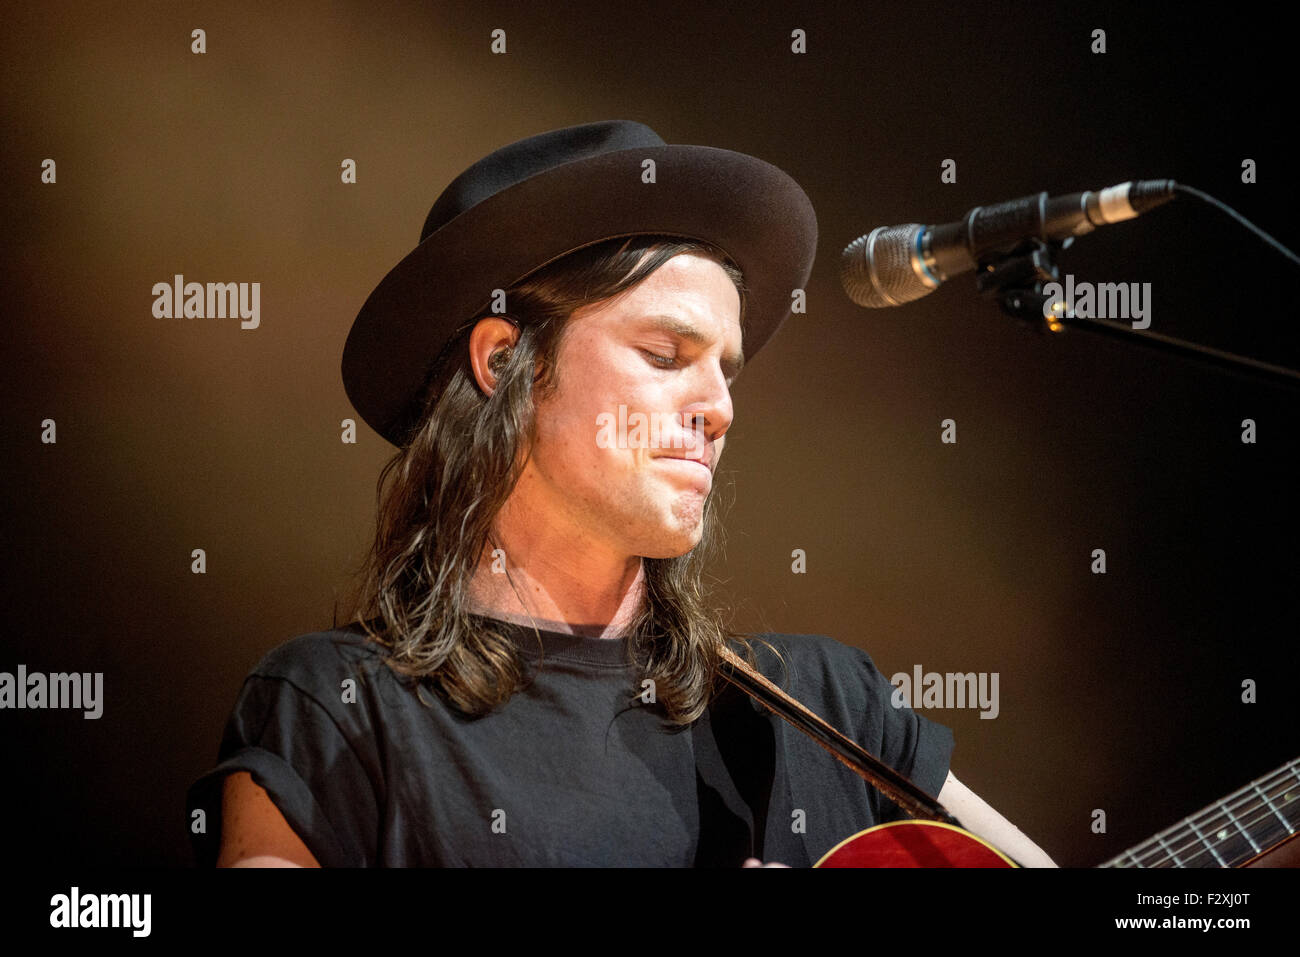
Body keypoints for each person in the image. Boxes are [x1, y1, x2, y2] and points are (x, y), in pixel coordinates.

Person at [186, 120, 1056, 868]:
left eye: (727, 370)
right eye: (666, 355)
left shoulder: (832, 706)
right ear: (504, 364)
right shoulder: (336, 707)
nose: (717, 408)